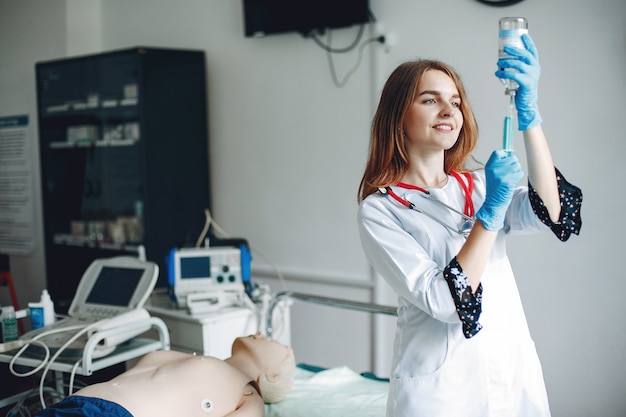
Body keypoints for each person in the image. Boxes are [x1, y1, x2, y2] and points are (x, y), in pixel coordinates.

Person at [357, 34, 582, 417]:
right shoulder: (381, 210)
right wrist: (491, 211)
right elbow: (445, 301)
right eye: (430, 100)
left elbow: (554, 212)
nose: (448, 110)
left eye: (455, 102)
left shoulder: (476, 184)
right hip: (443, 391)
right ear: (398, 116)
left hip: (511, 373)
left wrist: (530, 115)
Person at [35, 332, 295, 417]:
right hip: (70, 406)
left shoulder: (250, 395)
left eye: (272, 341)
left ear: (272, 375)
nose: (261, 332)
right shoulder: (207, 363)